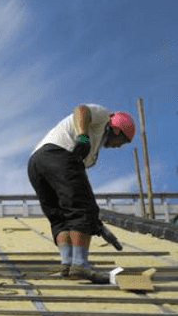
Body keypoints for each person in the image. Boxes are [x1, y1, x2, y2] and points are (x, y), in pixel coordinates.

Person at [28, 104, 135, 284]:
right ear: (117, 129)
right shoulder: (103, 118)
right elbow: (81, 110)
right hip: (59, 155)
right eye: (122, 141)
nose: (118, 147)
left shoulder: (93, 149)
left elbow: (76, 188)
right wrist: (83, 137)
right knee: (82, 209)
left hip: (36, 163)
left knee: (60, 216)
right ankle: (80, 264)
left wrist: (97, 224)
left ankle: (68, 263)